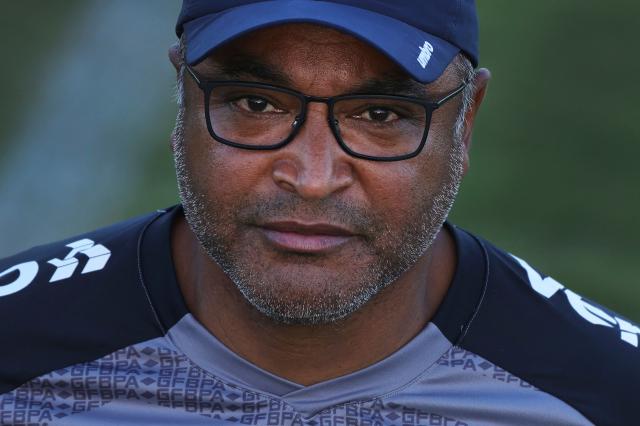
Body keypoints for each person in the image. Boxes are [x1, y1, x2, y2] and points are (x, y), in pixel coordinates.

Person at [0, 1, 637, 425]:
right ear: (183, 100)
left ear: (464, 124)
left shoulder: (609, 395)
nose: (311, 178)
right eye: (254, 103)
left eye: (380, 116)